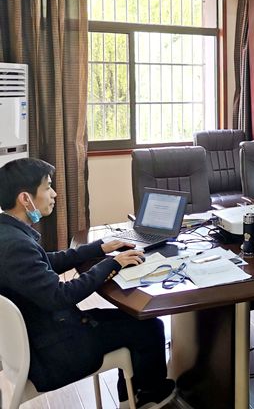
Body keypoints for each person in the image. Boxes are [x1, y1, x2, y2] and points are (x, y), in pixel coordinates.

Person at [0, 158, 175, 409]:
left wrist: (98, 248)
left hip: (41, 335)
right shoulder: (16, 246)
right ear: (25, 198)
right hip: (55, 352)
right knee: (149, 326)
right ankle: (150, 396)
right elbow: (60, 295)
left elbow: (46, 261)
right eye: (48, 187)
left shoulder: (7, 233)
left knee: (133, 321)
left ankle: (130, 397)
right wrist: (112, 264)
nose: (54, 194)